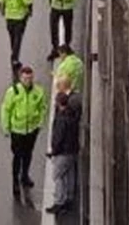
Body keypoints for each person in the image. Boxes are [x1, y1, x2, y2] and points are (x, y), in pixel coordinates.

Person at [0, 64, 48, 196]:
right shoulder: (13, 91)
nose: (28, 81)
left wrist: (40, 123)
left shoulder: (38, 91)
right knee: (17, 156)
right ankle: (15, 180)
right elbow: (6, 109)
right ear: (21, 78)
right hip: (17, 130)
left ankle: (25, 176)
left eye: (30, 78)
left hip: (32, 130)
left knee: (28, 154)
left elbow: (43, 107)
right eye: (25, 78)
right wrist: (6, 127)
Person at [46, 83, 82, 214]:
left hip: (63, 152)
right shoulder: (73, 115)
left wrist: (53, 152)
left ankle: (59, 202)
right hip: (73, 150)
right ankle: (69, 198)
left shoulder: (61, 119)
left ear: (58, 103)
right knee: (70, 174)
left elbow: (58, 137)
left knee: (58, 176)